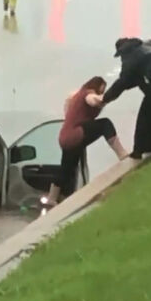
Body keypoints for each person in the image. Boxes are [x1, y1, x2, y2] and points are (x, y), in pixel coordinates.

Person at [43, 76, 129, 207]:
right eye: (100, 90)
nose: (101, 93)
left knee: (66, 170)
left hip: (65, 138)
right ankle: (122, 154)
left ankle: (51, 198)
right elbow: (92, 100)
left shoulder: (76, 97)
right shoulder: (87, 93)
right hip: (74, 134)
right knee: (105, 124)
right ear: (94, 86)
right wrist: (105, 98)